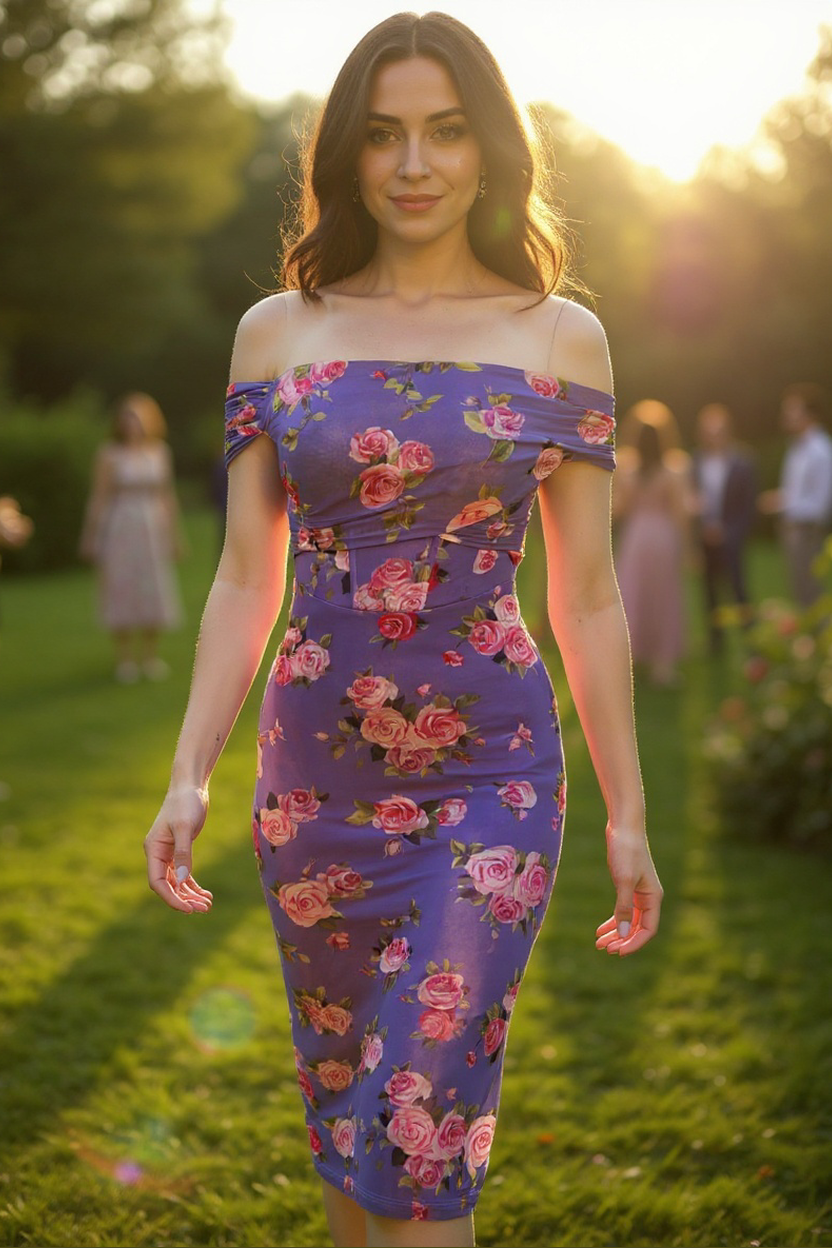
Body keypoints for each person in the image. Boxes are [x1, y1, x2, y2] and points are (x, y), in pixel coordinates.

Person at [144, 14, 662, 1247]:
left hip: (491, 783)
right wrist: (187, 772)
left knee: (421, 1147)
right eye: (382, 135)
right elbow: (239, 579)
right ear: (345, 156)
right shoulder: (278, 332)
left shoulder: (559, 337)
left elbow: (585, 594)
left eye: (444, 131)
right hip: (310, 787)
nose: (414, 164)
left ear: (490, 151)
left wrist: (627, 813)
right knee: (346, 1131)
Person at [80, 392, 184, 682]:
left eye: (136, 417)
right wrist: (91, 535)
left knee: (154, 586)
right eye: (126, 417)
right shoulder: (109, 454)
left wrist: (175, 536)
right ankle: (124, 659)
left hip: (152, 525)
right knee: (121, 586)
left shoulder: (159, 452)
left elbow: (167, 496)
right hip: (121, 525)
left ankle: (150, 657)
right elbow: (99, 497)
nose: (131, 423)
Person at [614, 403, 689, 686]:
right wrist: (689, 549)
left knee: (632, 595)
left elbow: (618, 509)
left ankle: (631, 661)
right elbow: (681, 514)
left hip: (636, 537)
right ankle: (663, 666)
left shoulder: (626, 467)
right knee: (665, 597)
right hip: (663, 537)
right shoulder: (675, 469)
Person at [690, 403, 757, 651]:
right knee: (709, 592)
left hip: (731, 538)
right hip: (705, 536)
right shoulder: (696, 461)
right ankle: (715, 642)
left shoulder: (743, 461)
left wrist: (728, 533)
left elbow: (747, 506)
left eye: (717, 431)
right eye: (708, 431)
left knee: (739, 589)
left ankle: (752, 640)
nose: (713, 436)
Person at [759, 383, 832, 609]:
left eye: (793, 410)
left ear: (810, 414)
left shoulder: (820, 450)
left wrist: (783, 504)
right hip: (793, 530)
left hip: (808, 532)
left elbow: (820, 504)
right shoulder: (796, 448)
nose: (787, 416)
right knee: (800, 593)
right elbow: (797, 492)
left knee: (812, 595)